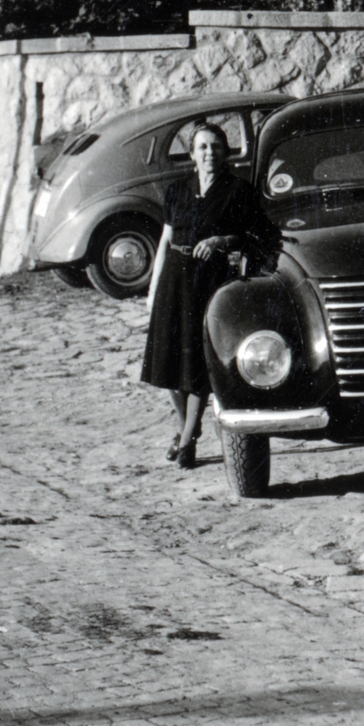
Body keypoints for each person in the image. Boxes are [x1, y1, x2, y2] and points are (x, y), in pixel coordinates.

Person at [140, 121, 279, 468]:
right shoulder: (177, 190)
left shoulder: (238, 190)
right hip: (174, 278)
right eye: (202, 147)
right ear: (192, 154)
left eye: (216, 146)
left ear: (225, 152)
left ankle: (187, 440)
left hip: (209, 281)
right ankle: (187, 425)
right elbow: (165, 241)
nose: (209, 153)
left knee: (197, 363)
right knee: (167, 361)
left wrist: (222, 240)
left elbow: (257, 235)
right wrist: (153, 287)